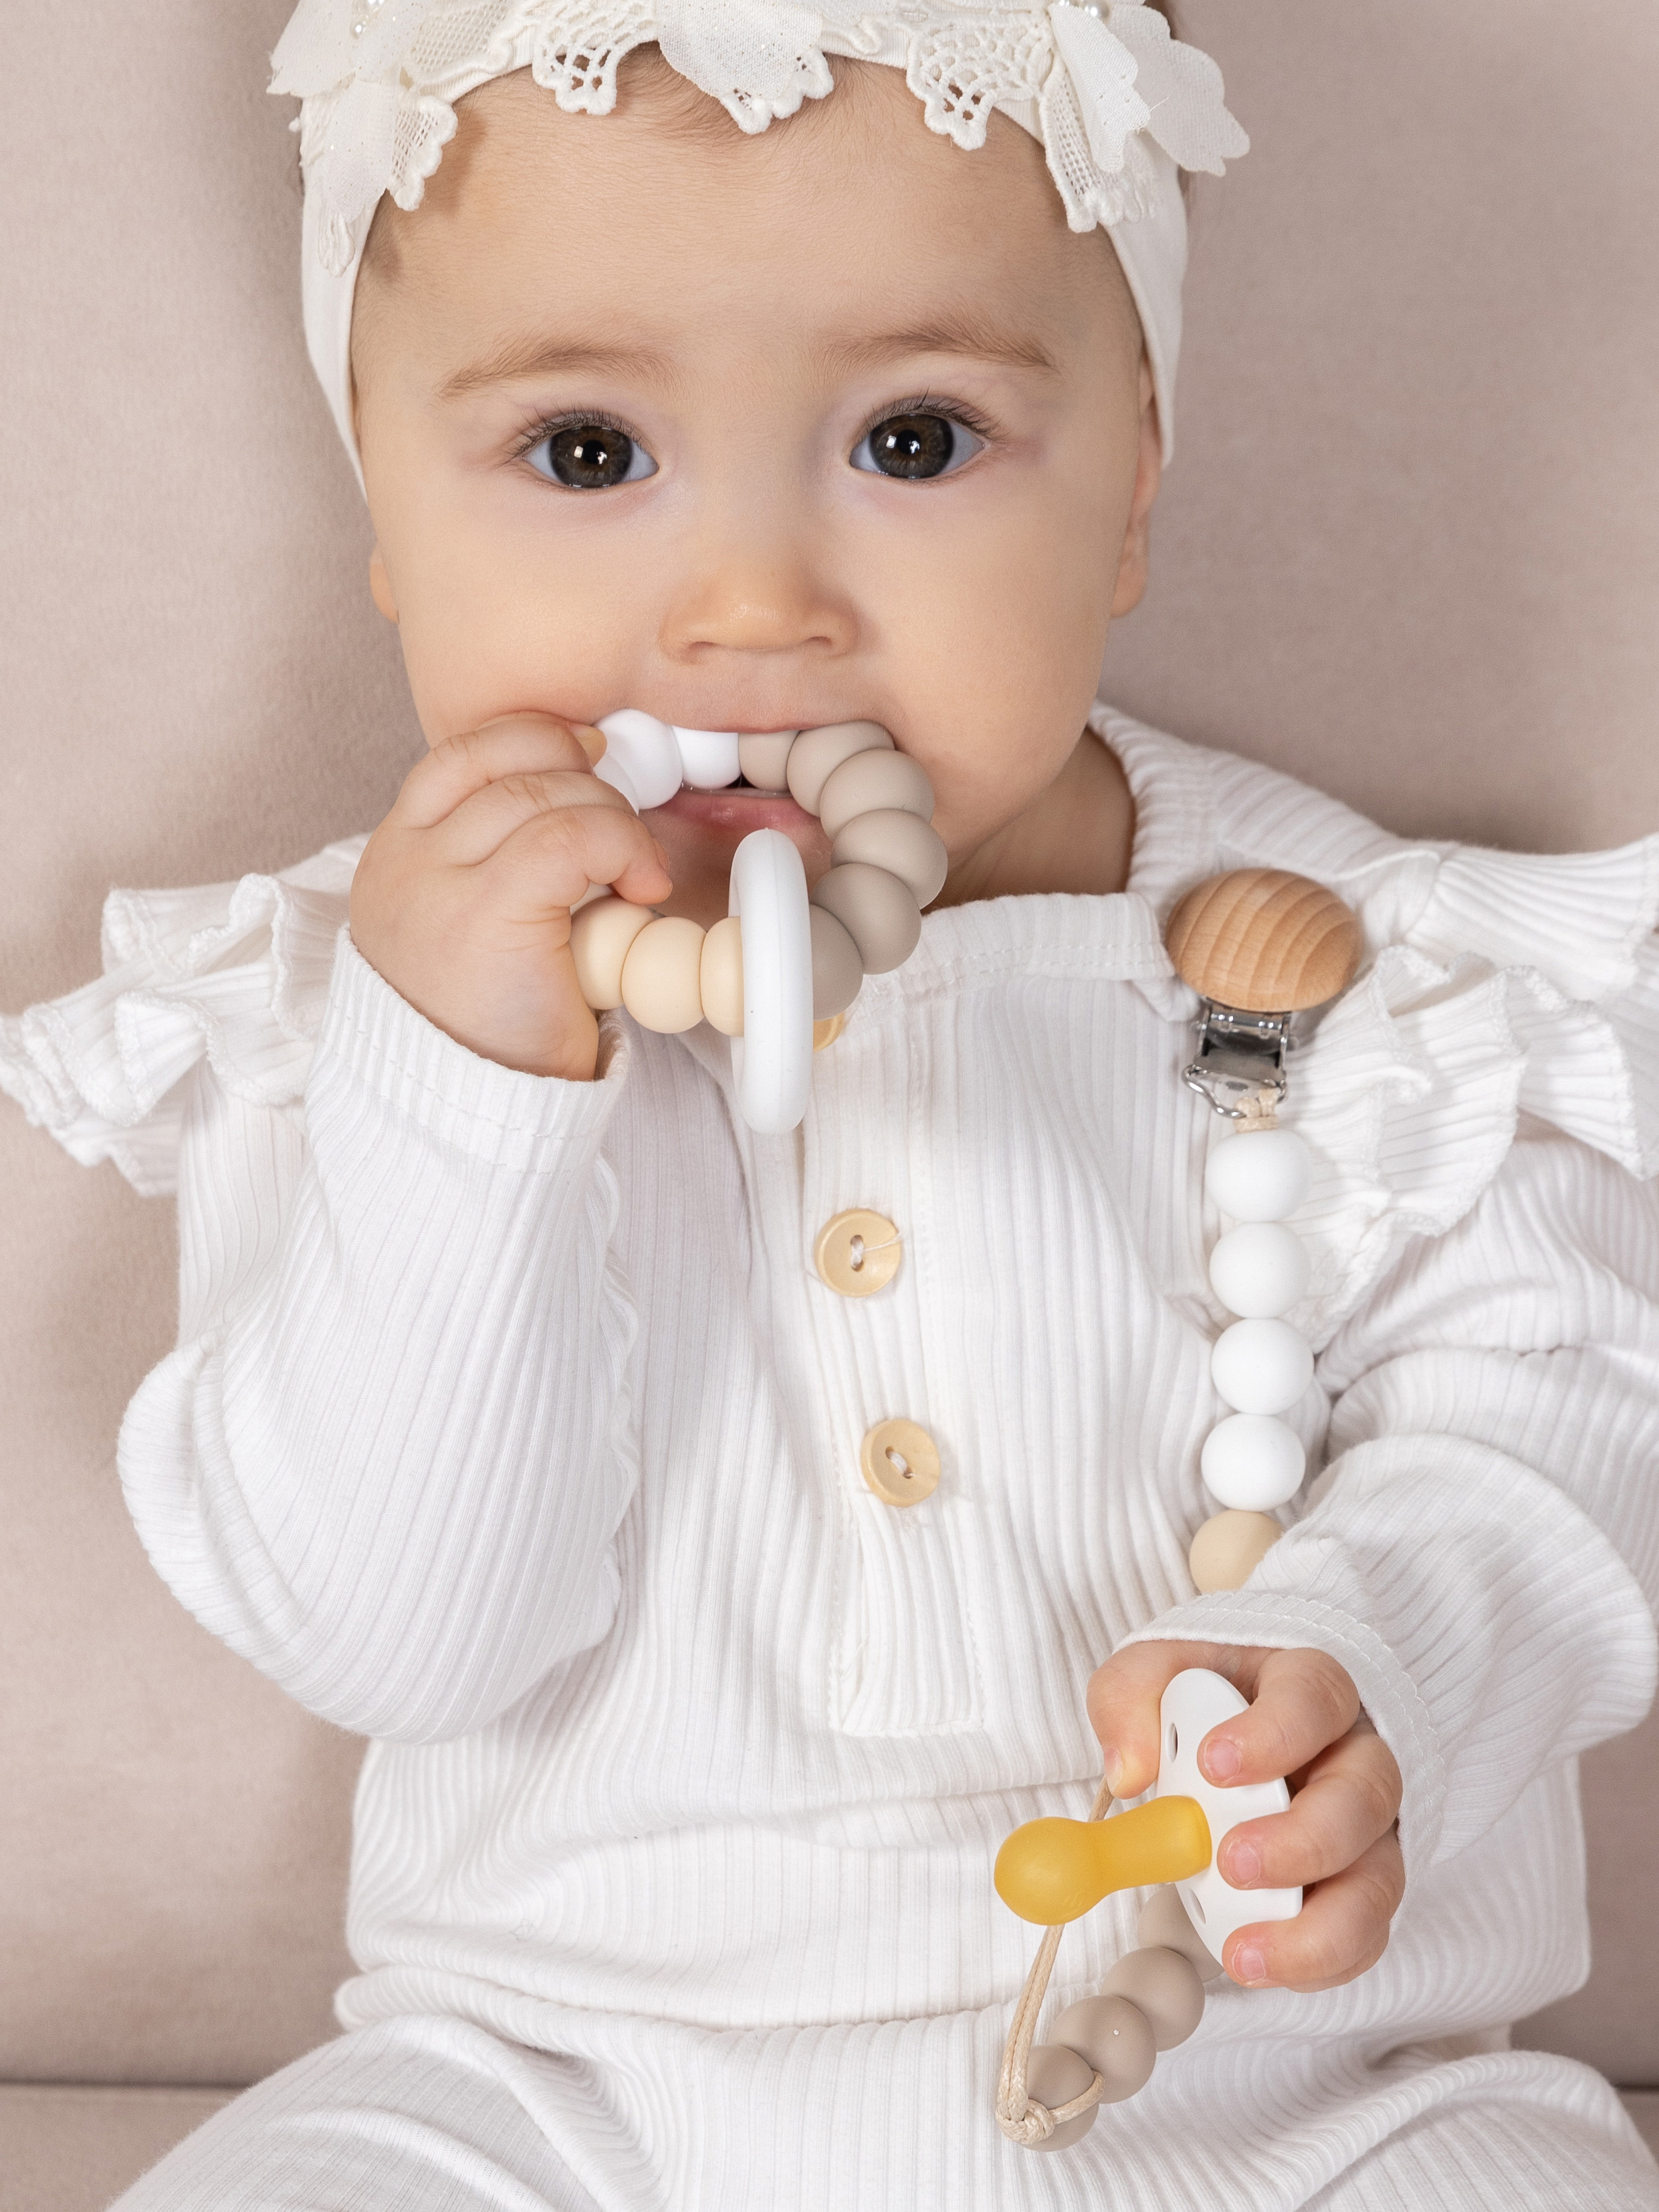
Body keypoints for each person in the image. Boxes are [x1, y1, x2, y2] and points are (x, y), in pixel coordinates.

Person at [3, 1, 1656, 2203]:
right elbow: (402, 1627)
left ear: (1133, 481)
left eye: (915, 440)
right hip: (563, 2086)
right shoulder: (354, 1008)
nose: (753, 612)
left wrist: (1378, 1658)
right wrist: (463, 1088)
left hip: (1298, 2093)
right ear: (383, 517)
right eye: (588, 454)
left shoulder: (1365, 964)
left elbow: (1559, 1421)